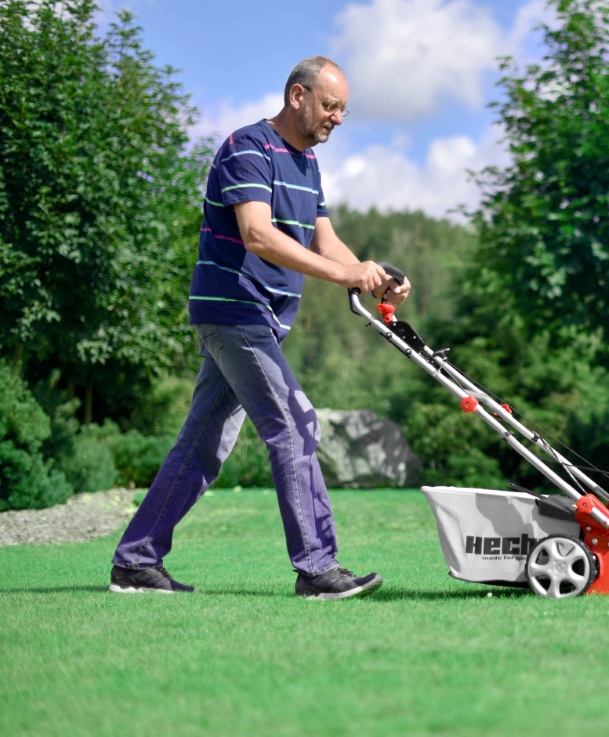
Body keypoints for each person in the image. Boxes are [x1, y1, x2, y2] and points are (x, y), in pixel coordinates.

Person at [109, 56, 409, 600]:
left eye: (344, 109)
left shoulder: (308, 164)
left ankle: (135, 561)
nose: (338, 118)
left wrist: (374, 274)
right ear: (298, 96)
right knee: (294, 424)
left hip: (260, 321)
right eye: (330, 105)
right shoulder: (248, 147)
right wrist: (345, 273)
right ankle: (317, 568)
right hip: (233, 310)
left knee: (204, 444)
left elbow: (326, 242)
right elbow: (258, 235)